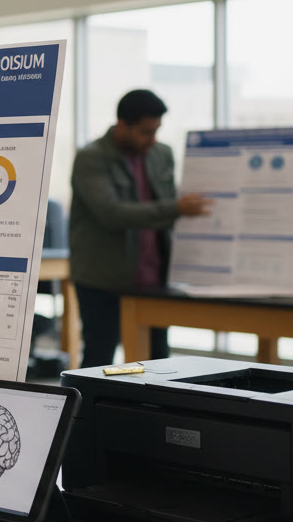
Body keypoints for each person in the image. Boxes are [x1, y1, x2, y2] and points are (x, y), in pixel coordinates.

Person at [69, 89, 210, 367]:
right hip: (102, 279)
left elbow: (168, 213)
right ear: (123, 124)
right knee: (99, 359)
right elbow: (111, 213)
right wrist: (176, 208)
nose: (152, 139)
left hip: (154, 278)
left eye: (156, 131)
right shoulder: (91, 158)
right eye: (145, 132)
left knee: (158, 361)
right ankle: (88, 412)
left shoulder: (161, 154)